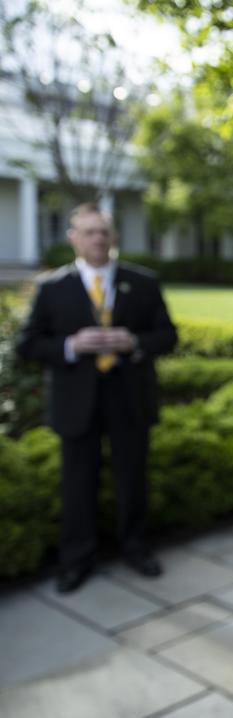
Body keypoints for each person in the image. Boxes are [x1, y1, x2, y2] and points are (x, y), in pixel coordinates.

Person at [17, 203, 178, 593]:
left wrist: (134, 341)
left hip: (128, 397)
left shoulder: (142, 283)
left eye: (104, 231)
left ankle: (136, 547)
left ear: (114, 237)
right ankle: (77, 559)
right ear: (73, 238)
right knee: (77, 483)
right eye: (89, 232)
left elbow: (168, 336)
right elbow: (28, 345)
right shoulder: (53, 288)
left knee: (132, 479)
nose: (98, 239)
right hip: (77, 401)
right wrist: (72, 345)